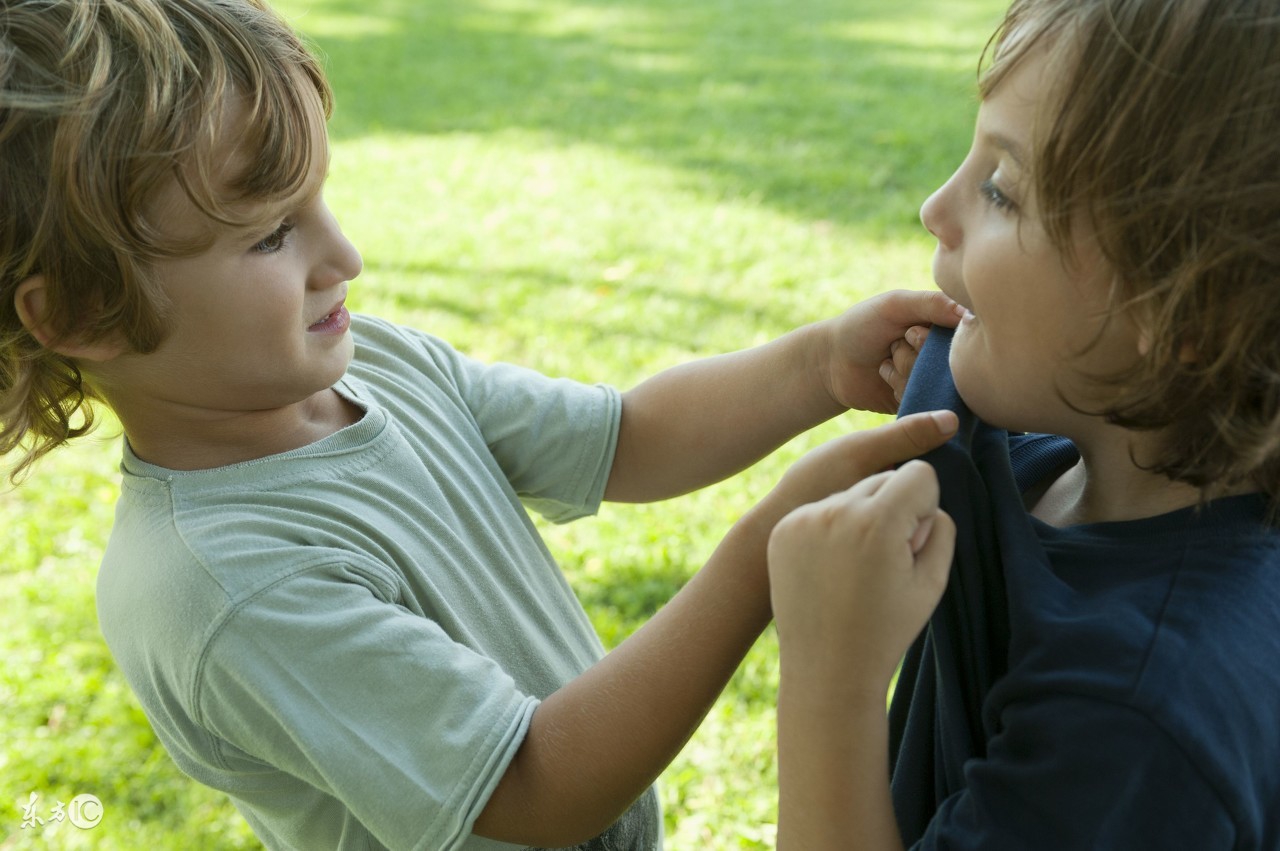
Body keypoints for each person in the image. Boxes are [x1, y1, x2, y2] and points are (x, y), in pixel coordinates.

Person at [0, 0, 964, 848]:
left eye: (318, 201)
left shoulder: (376, 362)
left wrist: (814, 366)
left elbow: (625, 437)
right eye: (269, 234)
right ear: (85, 312)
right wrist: (763, 554)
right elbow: (539, 786)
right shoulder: (221, 584)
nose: (345, 254)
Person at [766, 0, 1280, 848]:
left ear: (1188, 311)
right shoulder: (1002, 438)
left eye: (1001, 189)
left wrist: (829, 679)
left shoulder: (1136, 716)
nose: (935, 208)